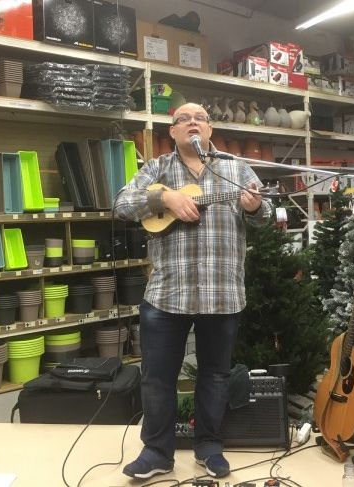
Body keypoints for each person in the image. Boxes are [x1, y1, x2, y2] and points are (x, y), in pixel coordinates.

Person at [113, 103, 273, 479]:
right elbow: (121, 204)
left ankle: (209, 446)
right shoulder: (157, 169)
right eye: (183, 119)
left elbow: (265, 217)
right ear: (172, 132)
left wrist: (254, 207)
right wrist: (163, 198)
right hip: (168, 293)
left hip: (223, 292)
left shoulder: (235, 168)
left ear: (210, 128)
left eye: (199, 118)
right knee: (157, 377)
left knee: (215, 375)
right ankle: (156, 452)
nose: (192, 123)